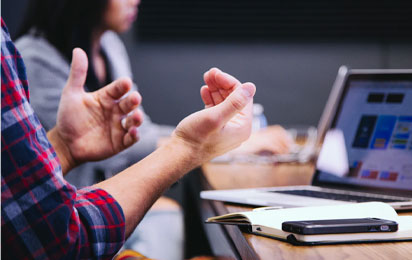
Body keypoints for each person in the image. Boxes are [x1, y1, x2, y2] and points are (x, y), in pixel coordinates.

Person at [2, 17, 256, 259]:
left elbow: (14, 191)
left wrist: (64, 147)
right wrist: (190, 146)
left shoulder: (110, 45)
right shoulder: (32, 57)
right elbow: (60, 241)